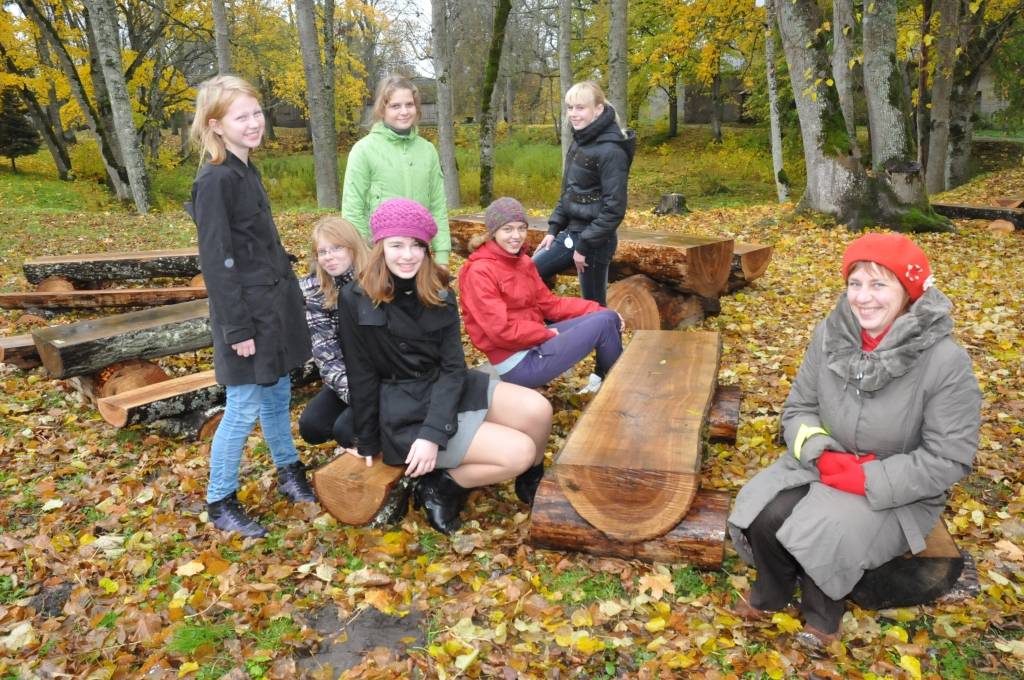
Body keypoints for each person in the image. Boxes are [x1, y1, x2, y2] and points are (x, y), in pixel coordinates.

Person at [727, 233, 981, 648]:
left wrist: (867, 478)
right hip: (824, 463)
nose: (864, 298)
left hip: (898, 489)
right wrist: (821, 455)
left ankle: (823, 619)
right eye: (855, 284)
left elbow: (948, 458)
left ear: (909, 293)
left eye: (880, 284)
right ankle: (771, 595)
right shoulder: (830, 336)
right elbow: (798, 410)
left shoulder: (944, 361)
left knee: (830, 527)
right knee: (762, 508)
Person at [336, 198, 553, 534]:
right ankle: (442, 487)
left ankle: (531, 480)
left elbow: (453, 367)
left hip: (446, 385)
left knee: (538, 409)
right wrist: (369, 439)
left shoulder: (438, 291)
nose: (407, 255)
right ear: (380, 247)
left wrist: (436, 429)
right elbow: (360, 372)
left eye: (416, 246)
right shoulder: (355, 296)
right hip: (403, 406)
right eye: (396, 245)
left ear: (426, 249)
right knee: (518, 451)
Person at [187, 75, 317, 538]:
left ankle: (288, 471)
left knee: (278, 393)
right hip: (245, 317)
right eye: (242, 117)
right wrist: (237, 329)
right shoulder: (215, 180)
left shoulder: (246, 169)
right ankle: (220, 499)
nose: (254, 123)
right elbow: (218, 263)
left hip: (274, 306)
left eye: (256, 113)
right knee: (242, 406)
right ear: (216, 125)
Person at [460, 197, 624, 394]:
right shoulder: (479, 271)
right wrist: (544, 334)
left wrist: (599, 309)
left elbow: (551, 305)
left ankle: (614, 387)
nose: (516, 236)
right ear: (493, 232)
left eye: (521, 228)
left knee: (607, 317)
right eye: (508, 229)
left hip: (533, 343)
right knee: (604, 325)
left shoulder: (522, 262)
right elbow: (500, 331)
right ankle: (623, 392)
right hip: (517, 363)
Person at [533, 81, 636, 306]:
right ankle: (555, 333)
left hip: (596, 242)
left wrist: (585, 246)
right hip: (570, 234)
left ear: (598, 109)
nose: (573, 114)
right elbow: (569, 192)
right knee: (528, 275)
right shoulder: (580, 141)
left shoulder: (612, 150)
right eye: (570, 108)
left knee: (594, 307)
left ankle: (608, 342)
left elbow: (614, 209)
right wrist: (553, 229)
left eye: (580, 108)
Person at [341, 75, 451, 266]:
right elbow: (352, 209)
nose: (404, 111)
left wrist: (442, 256)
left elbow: (437, 206)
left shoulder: (427, 150)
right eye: (395, 106)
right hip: (377, 255)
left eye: (409, 104)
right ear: (382, 109)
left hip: (418, 253)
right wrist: (364, 256)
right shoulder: (363, 150)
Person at [298, 216, 369, 449]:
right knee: (312, 425)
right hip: (348, 374)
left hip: (386, 374)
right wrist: (357, 396)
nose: (329, 257)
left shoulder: (377, 279)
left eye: (337, 248)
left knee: (346, 430)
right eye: (322, 252)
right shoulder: (316, 292)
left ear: (353, 247)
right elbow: (326, 355)